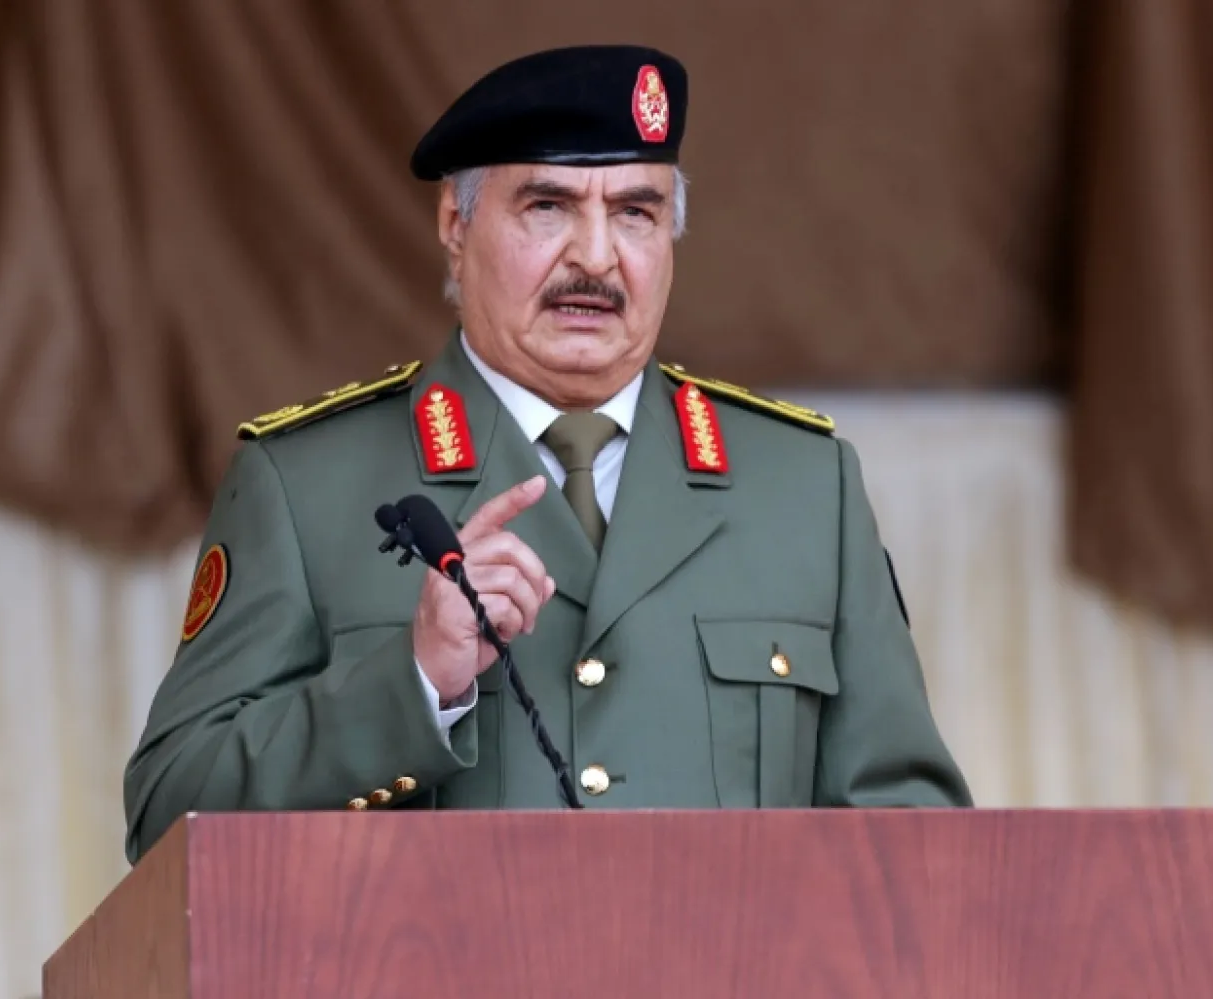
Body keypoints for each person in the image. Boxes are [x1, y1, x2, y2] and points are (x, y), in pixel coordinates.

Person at [122, 44, 971, 864]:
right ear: (456, 223)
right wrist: (414, 682)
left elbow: (916, 844)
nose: (595, 258)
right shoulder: (305, 485)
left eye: (635, 213)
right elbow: (169, 814)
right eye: (548, 207)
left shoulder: (801, 487)